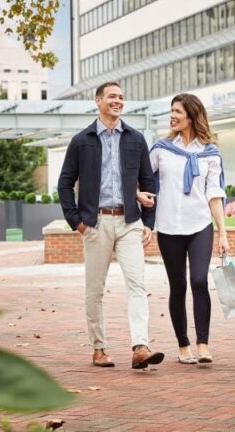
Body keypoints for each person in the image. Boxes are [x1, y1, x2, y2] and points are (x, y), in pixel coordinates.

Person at [58, 81, 164, 369]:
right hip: (96, 222)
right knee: (95, 289)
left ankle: (140, 346)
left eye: (121, 97)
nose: (118, 101)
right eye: (112, 97)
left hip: (130, 221)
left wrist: (148, 222)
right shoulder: (82, 141)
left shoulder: (135, 138)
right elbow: (65, 184)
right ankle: (99, 348)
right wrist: (77, 222)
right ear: (98, 101)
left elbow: (148, 182)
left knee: (137, 285)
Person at [137, 93, 229, 365]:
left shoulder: (210, 153)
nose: (172, 116)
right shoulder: (162, 149)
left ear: (191, 115)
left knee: (199, 281)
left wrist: (223, 232)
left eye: (178, 111)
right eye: (172, 111)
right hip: (169, 227)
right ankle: (183, 344)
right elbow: (142, 179)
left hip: (200, 224)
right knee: (178, 285)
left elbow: (214, 194)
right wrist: (141, 206)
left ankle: (203, 343)